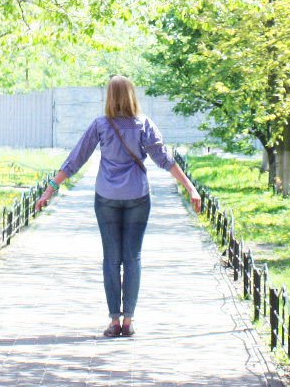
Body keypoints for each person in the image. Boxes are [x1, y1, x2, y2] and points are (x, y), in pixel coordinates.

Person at [36, 75, 202, 338]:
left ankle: (114, 321)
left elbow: (75, 159)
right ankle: (128, 321)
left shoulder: (101, 125)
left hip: (107, 198)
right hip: (138, 196)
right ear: (132, 95)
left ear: (109, 97)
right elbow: (164, 159)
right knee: (132, 257)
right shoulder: (143, 124)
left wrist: (49, 190)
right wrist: (190, 188)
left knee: (112, 259)